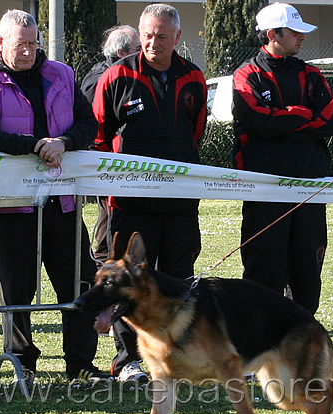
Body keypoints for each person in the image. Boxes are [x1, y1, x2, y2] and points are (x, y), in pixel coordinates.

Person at [0, 9, 109, 385]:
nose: (28, 51)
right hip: (12, 204)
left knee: (78, 281)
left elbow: (87, 123)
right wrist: (35, 147)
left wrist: (64, 142)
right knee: (17, 288)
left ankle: (81, 365)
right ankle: (23, 363)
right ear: (0, 43)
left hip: (64, 199)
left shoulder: (62, 74)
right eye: (20, 44)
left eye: (33, 43)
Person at [93, 4, 207, 383]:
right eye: (147, 35)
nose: (153, 43)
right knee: (128, 281)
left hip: (179, 204)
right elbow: (98, 137)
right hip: (129, 204)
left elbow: (195, 134)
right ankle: (129, 361)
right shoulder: (116, 76)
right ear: (139, 34)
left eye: (162, 36)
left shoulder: (194, 78)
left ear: (177, 37)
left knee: (178, 279)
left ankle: (176, 355)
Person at [232, 2, 333, 315]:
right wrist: (302, 114)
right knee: (264, 268)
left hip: (310, 187)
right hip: (264, 189)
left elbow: (329, 121)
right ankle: (256, 341)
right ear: (272, 35)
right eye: (294, 32)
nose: (302, 37)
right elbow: (257, 121)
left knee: (307, 270)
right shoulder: (247, 73)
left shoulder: (312, 74)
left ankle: (303, 343)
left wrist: (281, 121)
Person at [80, 25, 141, 261]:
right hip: (106, 163)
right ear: (123, 53)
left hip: (122, 164)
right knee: (109, 220)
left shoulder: (124, 73)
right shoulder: (102, 78)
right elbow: (96, 124)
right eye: (138, 48)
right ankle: (105, 266)